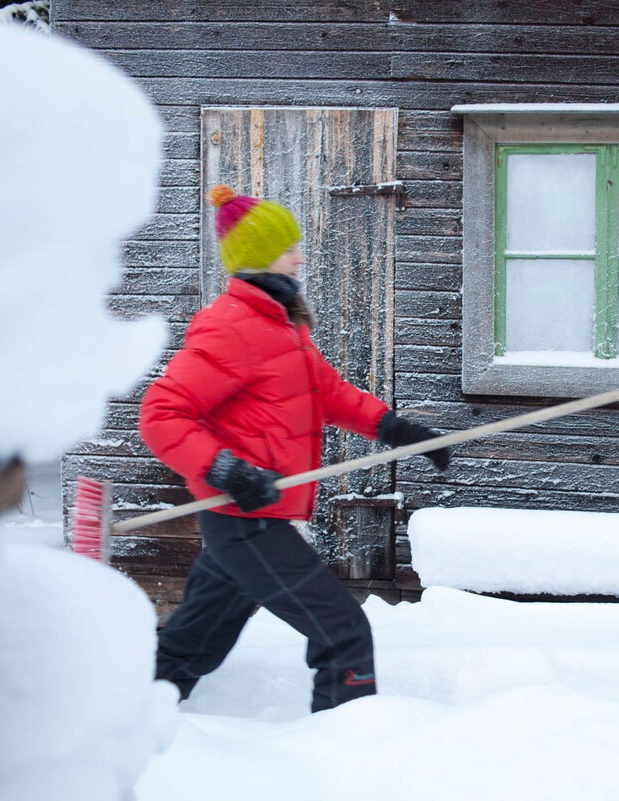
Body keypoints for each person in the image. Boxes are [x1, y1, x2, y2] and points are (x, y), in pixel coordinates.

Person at [139, 185, 449, 713]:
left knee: (194, 643)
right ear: (261, 257)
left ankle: (127, 713)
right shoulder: (231, 327)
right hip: (242, 514)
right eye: (290, 248)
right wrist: (226, 470)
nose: (300, 256)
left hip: (247, 517)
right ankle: (347, 741)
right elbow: (161, 415)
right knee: (342, 630)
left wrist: (395, 429)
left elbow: (326, 393)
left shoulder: (280, 326)